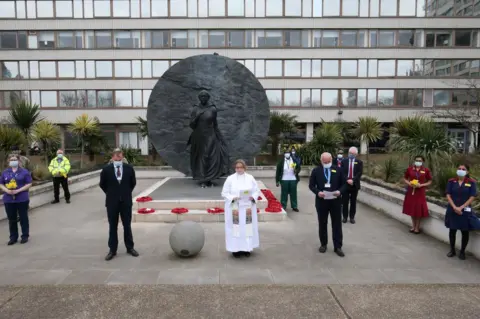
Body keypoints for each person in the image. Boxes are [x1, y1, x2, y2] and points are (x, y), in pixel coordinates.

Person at [99, 149, 139, 261]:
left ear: (122, 155)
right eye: (116, 155)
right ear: (112, 157)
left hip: (125, 202)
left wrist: (124, 193)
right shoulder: (106, 170)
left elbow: (133, 183)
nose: (118, 156)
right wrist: (112, 193)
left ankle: (130, 248)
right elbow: (102, 184)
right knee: (113, 226)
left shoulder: (129, 169)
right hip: (112, 202)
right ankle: (112, 250)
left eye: (119, 154)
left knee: (127, 225)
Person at [187, 90, 229, 188]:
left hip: (210, 135)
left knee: (210, 156)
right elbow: (192, 125)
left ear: (208, 98)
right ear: (199, 98)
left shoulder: (213, 109)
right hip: (199, 136)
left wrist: (220, 137)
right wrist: (196, 117)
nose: (203, 98)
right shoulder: (195, 109)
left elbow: (215, 124)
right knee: (202, 157)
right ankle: (203, 179)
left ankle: (209, 179)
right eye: (201, 96)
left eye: (205, 96)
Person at [309, 152, 347, 257]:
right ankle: (323, 244)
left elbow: (345, 184)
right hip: (322, 201)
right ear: (321, 161)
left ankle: (338, 246)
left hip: (335, 201)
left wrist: (340, 191)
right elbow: (311, 185)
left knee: (337, 224)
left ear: (332, 160)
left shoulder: (338, 170)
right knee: (322, 223)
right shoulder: (316, 171)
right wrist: (318, 192)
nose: (327, 163)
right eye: (325, 162)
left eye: (329, 161)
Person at [221, 159, 260, 258]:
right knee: (236, 228)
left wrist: (253, 197)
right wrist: (233, 198)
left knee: (247, 228)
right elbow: (224, 193)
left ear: (244, 167)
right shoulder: (230, 179)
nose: (238, 169)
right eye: (237, 167)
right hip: (235, 207)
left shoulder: (250, 178)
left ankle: (247, 248)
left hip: (247, 208)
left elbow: (256, 190)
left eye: (240, 167)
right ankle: (236, 249)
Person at [445, 164, 477, 260]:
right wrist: (455, 207)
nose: (461, 170)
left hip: (465, 211)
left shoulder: (471, 183)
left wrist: (461, 207)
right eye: (459, 169)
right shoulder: (451, 181)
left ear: (467, 172)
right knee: (452, 230)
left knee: (464, 231)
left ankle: (462, 251)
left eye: (463, 169)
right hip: (452, 209)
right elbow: (448, 194)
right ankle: (452, 250)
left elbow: (472, 196)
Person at [0, 154, 32, 245]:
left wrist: (18, 190)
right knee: (11, 219)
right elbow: (1, 183)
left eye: (15, 159)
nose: (13, 161)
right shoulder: (5, 172)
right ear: (8, 161)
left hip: (22, 198)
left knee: (23, 217)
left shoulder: (24, 172)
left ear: (18, 161)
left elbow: (29, 183)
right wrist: (6, 190)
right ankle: (13, 237)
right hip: (9, 199)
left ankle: (25, 235)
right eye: (11, 159)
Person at [402, 155, 432, 234]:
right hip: (411, 190)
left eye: (420, 161)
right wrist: (409, 183)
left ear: (423, 162)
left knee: (418, 209)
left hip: (420, 191)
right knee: (412, 208)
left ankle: (417, 227)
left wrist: (422, 185)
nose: (418, 162)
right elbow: (405, 178)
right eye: (416, 160)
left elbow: (429, 181)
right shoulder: (410, 169)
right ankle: (413, 226)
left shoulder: (426, 170)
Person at [340, 146, 363, 224]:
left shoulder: (359, 162)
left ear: (356, 154)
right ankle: (345, 217)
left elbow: (359, 173)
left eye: (353, 153)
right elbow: (342, 172)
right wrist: (347, 179)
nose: (351, 155)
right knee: (345, 201)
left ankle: (352, 217)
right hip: (345, 184)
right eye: (350, 153)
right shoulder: (344, 161)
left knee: (353, 202)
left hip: (354, 184)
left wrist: (352, 180)